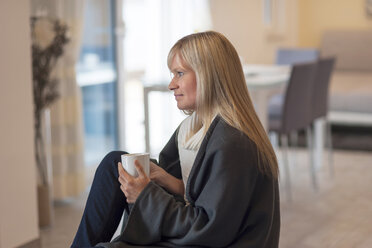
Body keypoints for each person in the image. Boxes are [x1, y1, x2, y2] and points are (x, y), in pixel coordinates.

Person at [71, 31, 280, 248]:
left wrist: (145, 196)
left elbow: (210, 229)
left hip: (217, 242)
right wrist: (167, 180)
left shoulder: (233, 142)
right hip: (202, 230)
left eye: (179, 73)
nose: (172, 84)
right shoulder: (194, 127)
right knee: (114, 164)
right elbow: (201, 192)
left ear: (208, 75)